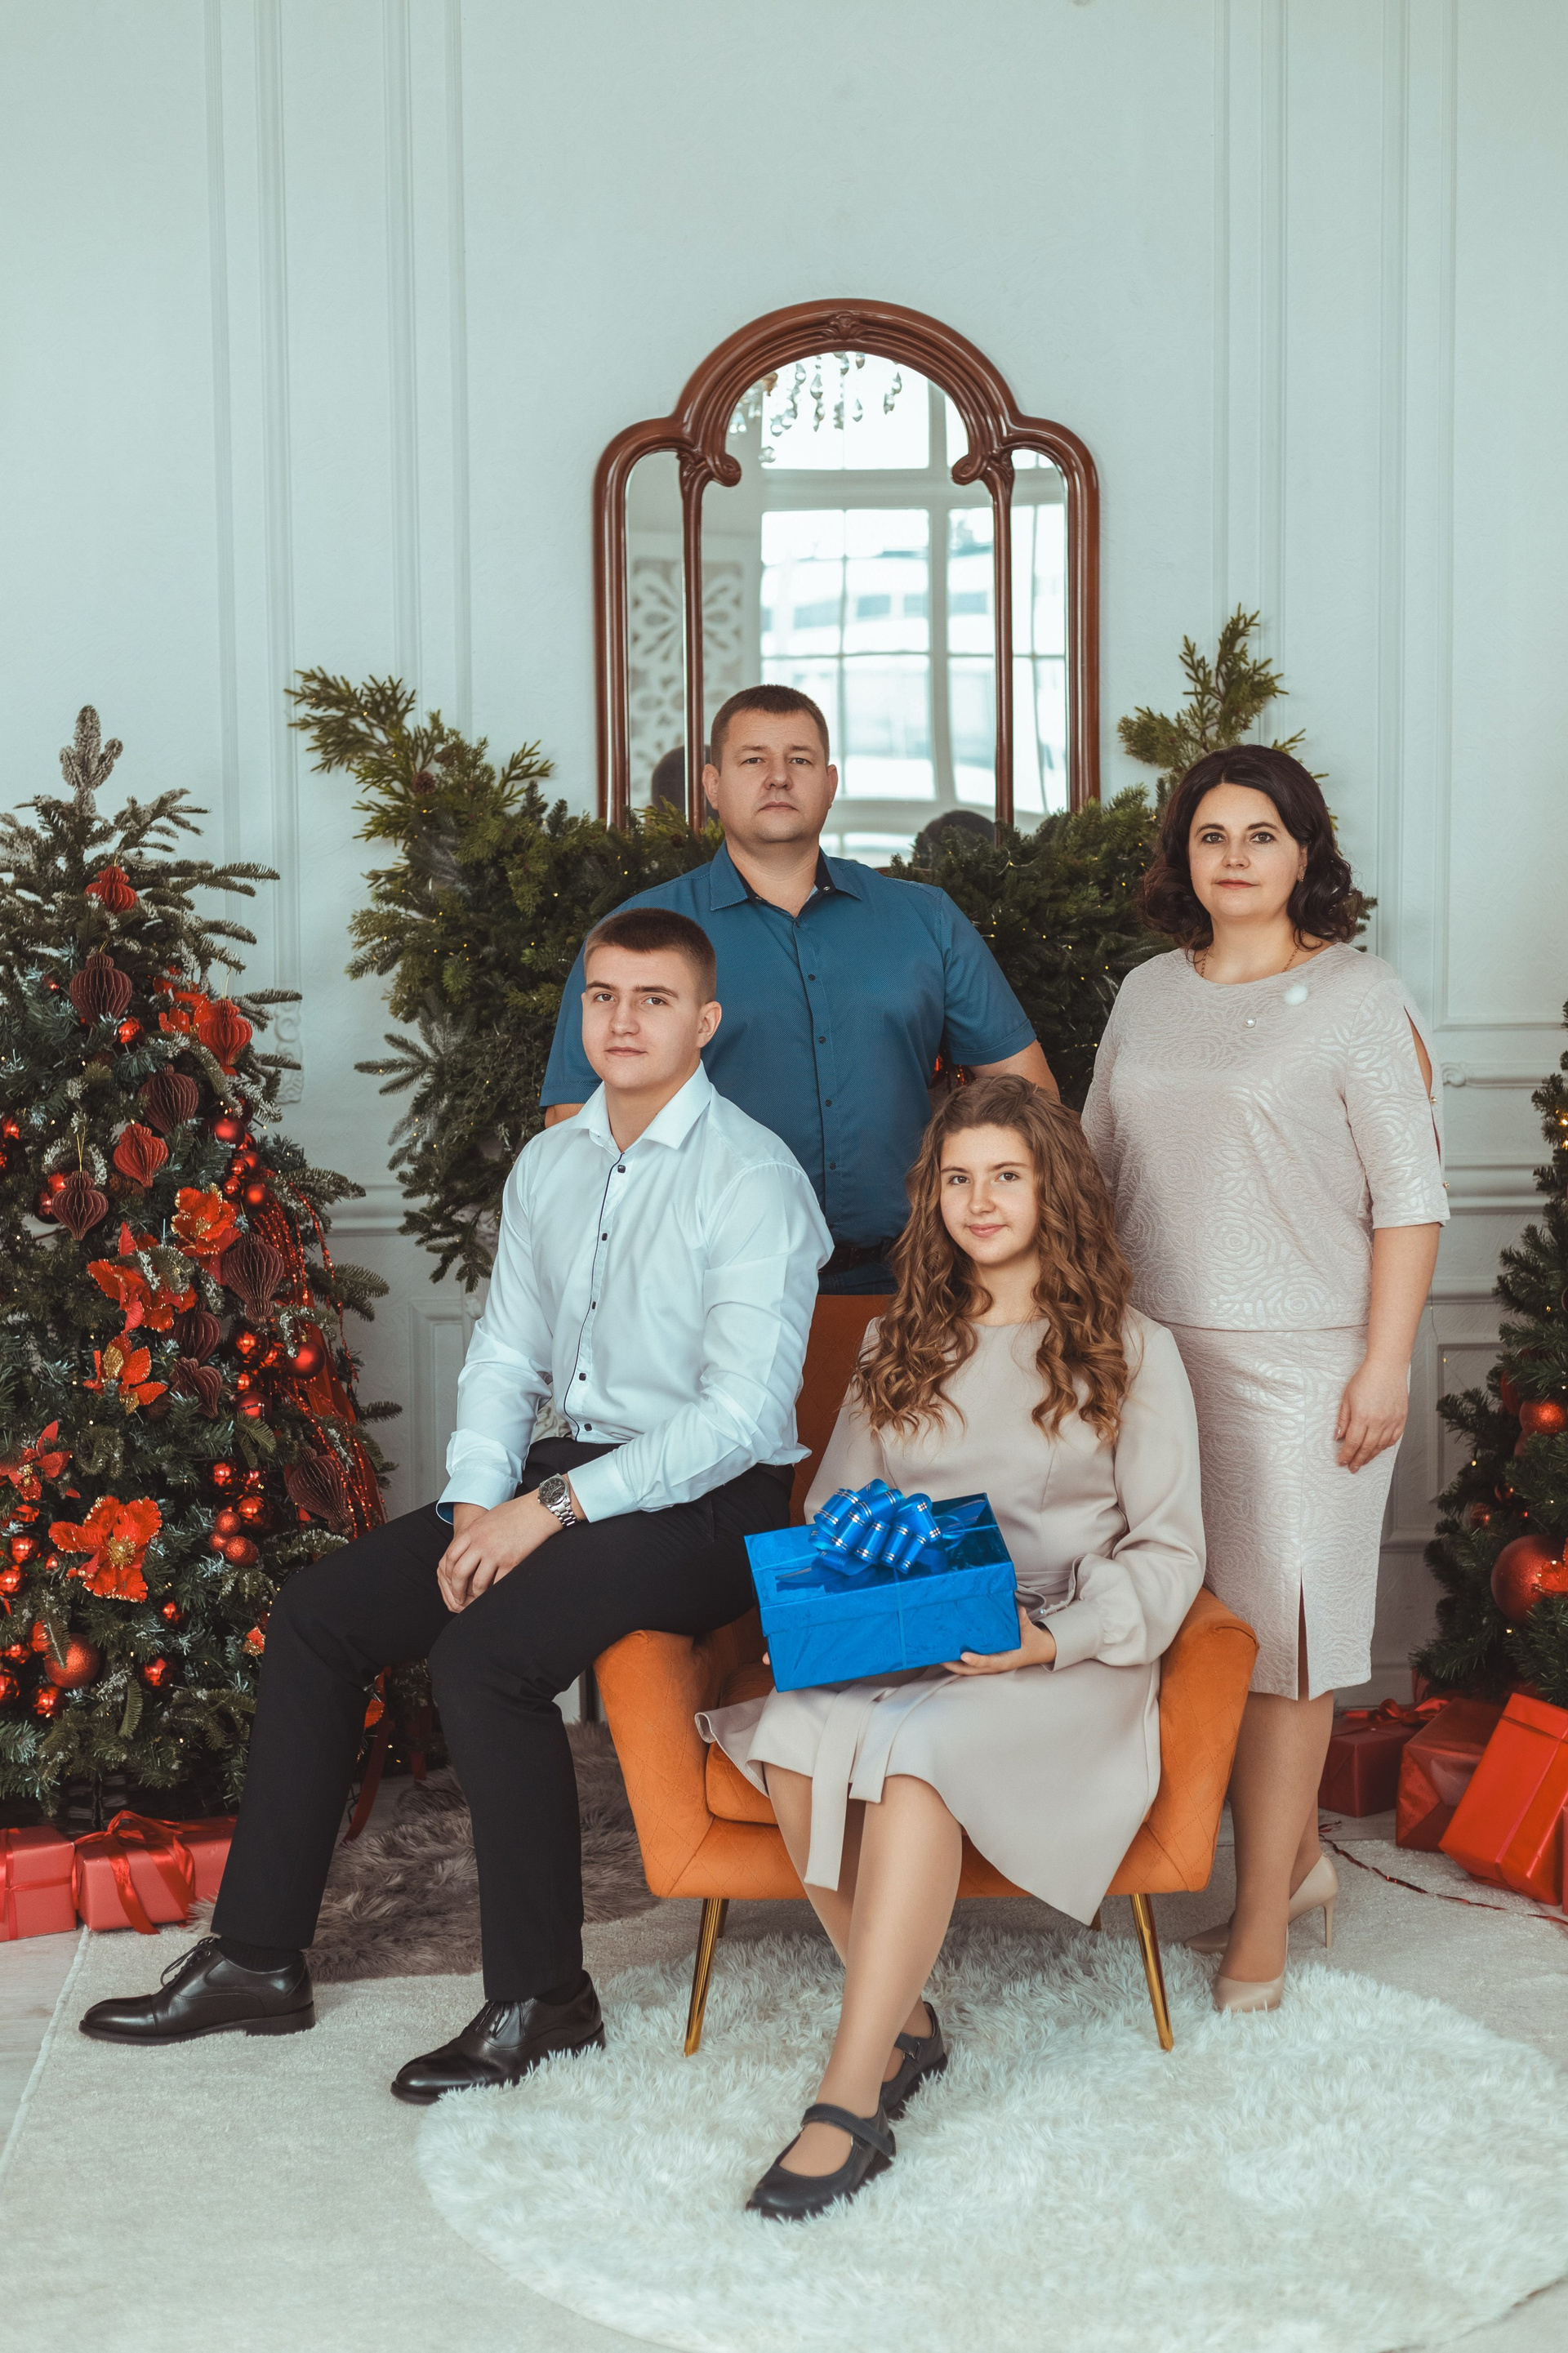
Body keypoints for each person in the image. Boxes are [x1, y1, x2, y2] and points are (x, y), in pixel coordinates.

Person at [81, 907, 831, 2098]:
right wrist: (481, 1501)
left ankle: (545, 2000)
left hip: (713, 1505)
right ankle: (257, 1957)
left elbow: (738, 1417)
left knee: (483, 1660)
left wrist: (549, 1509)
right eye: (603, 995)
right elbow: (506, 1355)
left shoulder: (753, 1177)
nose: (622, 1020)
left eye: (653, 999)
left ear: (705, 1022)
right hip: (566, 1473)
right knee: (321, 1616)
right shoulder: (553, 1163)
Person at [701, 1075, 1205, 2218]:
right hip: (916, 1626)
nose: (980, 1201)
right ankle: (909, 2024)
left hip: (1063, 1654)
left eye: (1007, 1177)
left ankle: (848, 2096)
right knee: (791, 1733)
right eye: (960, 1178)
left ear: (1053, 1191)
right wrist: (848, 1607)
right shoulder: (898, 1341)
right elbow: (835, 1508)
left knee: (920, 1762)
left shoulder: (1132, 1350)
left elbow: (1173, 1555)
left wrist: (1048, 1639)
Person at [1080, 745, 1446, 2013]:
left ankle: (1259, 1928)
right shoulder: (1145, 993)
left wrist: (1386, 1363)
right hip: (1152, 1359)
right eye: (1211, 835)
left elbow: (1410, 1198)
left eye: (1262, 836)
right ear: (1182, 856)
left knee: (1288, 1647)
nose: (1234, 857)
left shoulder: (1358, 996)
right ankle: (1291, 1866)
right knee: (1192, 1632)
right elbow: (1094, 1172)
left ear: (1305, 856)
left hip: (1306, 1372)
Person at [541, 682, 1057, 1293]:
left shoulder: (926, 919)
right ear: (712, 785)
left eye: (800, 760)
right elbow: (573, 1124)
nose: (779, 778)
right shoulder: (639, 933)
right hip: (705, 1287)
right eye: (753, 759)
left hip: (914, 1286)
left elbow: (1032, 1098)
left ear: (830, 784)